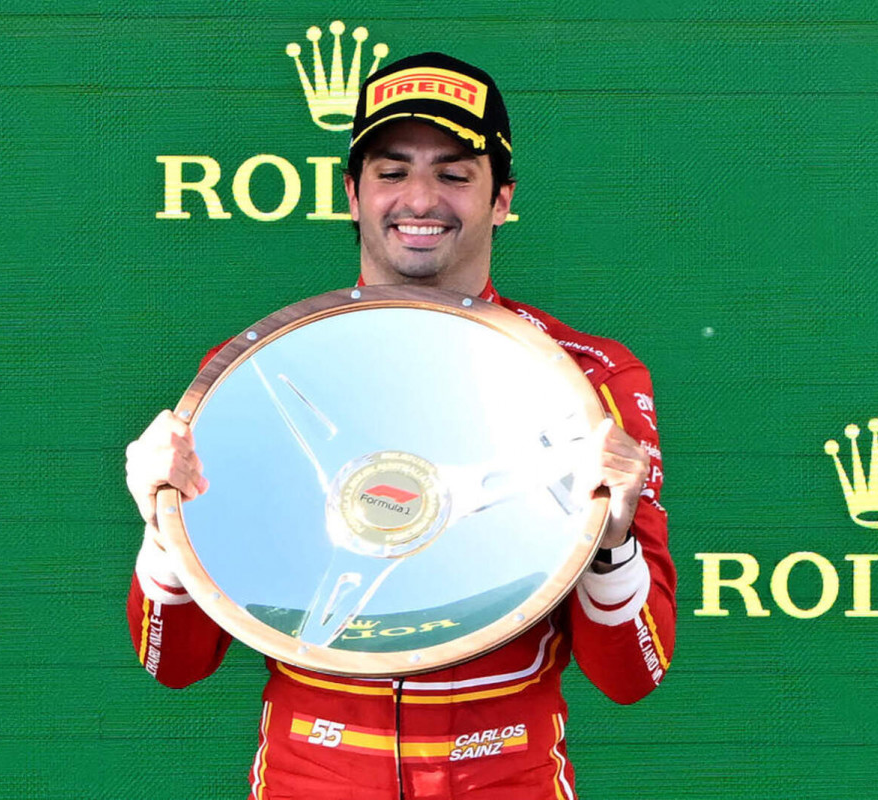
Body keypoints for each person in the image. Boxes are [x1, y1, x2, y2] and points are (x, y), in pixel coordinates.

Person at [125, 52, 676, 800]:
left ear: (502, 199)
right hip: (304, 778)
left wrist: (610, 548)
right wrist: (161, 531)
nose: (420, 198)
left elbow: (633, 674)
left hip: (505, 776)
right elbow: (175, 664)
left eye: (454, 173)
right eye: (391, 172)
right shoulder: (253, 376)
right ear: (351, 194)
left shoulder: (588, 381)